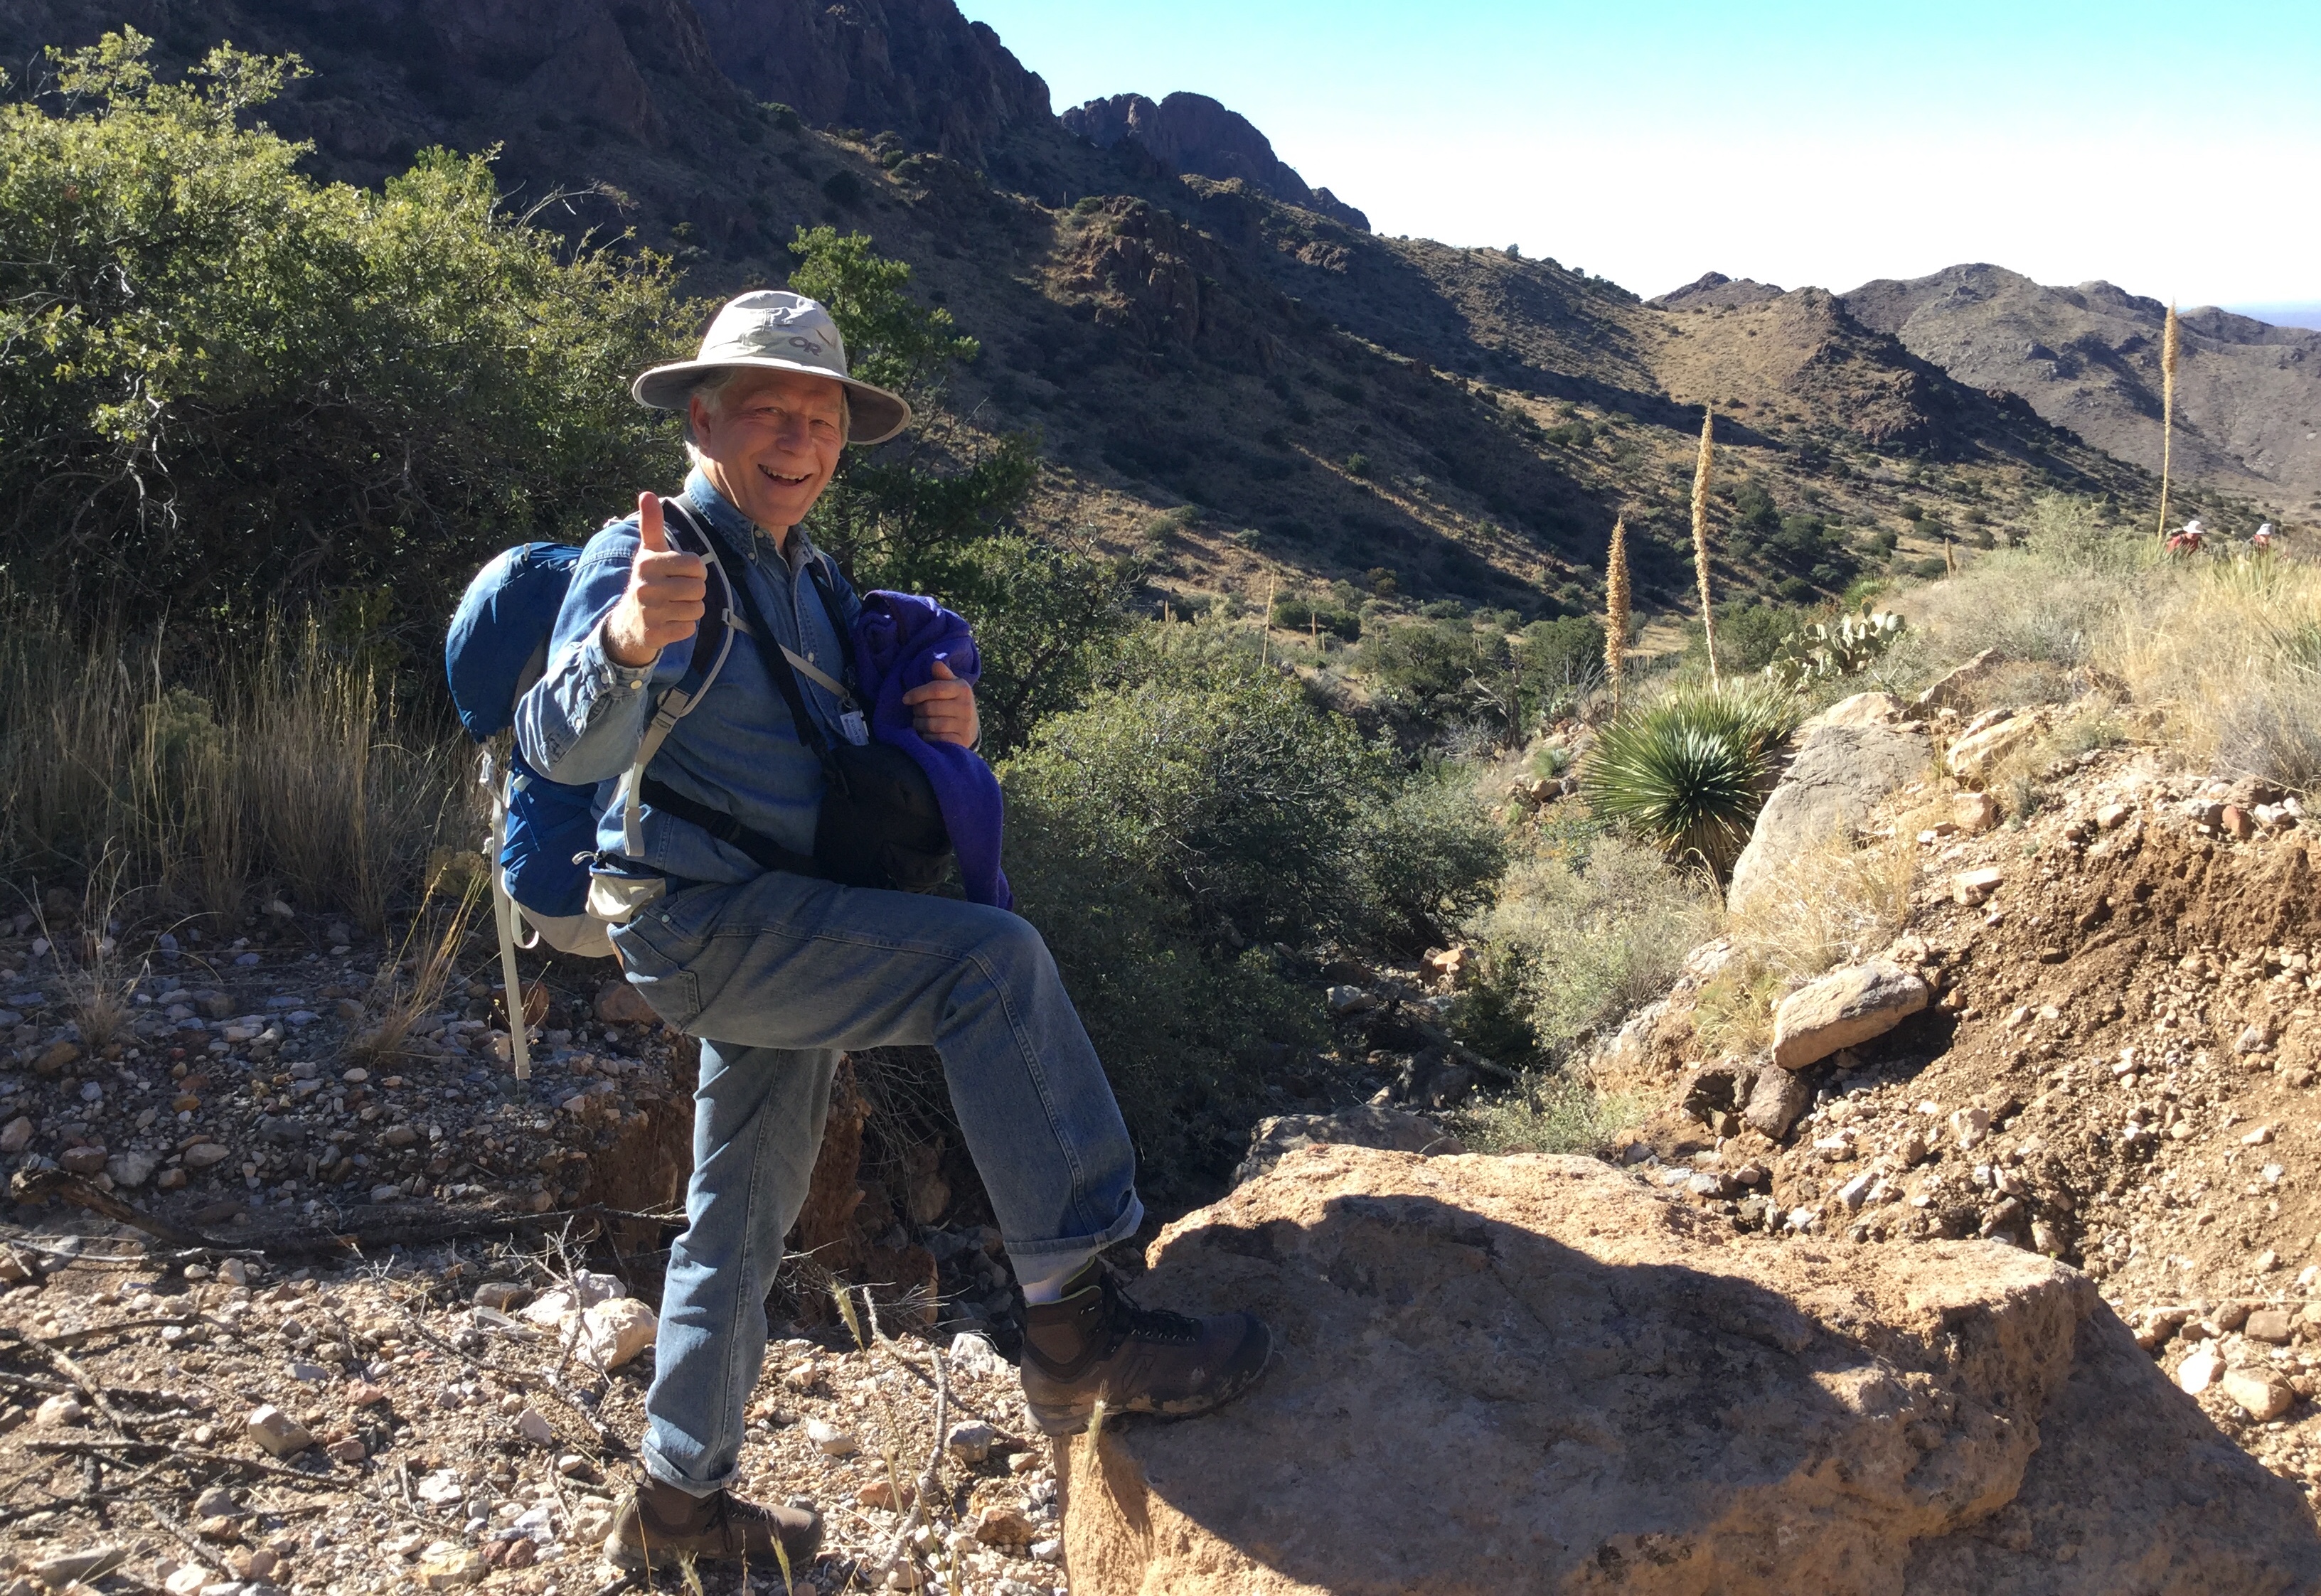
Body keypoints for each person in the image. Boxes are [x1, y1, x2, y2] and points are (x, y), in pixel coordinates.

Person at [516, 291, 1271, 1571]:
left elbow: (836, 760)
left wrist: (943, 741)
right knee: (993, 967)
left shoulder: (809, 579)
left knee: (738, 1214)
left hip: (788, 921)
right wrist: (630, 638)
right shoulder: (655, 553)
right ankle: (1077, 1328)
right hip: (707, 926)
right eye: (768, 410)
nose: (799, 438)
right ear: (703, 417)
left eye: (821, 416)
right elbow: (558, 739)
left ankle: (677, 1512)